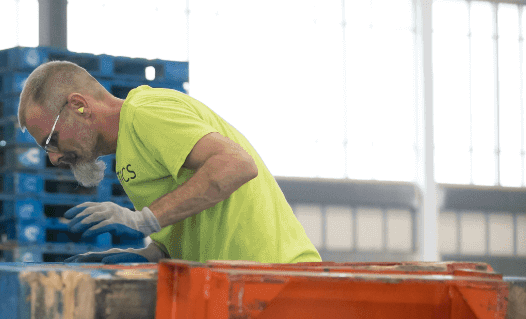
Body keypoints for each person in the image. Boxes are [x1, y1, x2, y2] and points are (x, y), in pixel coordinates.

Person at [16, 61, 320, 264]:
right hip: (238, 286)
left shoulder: (147, 114)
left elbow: (237, 164)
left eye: (51, 140)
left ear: (79, 106)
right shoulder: (128, 155)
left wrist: (142, 220)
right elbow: (183, 229)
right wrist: (146, 256)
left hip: (281, 278)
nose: (54, 158)